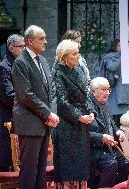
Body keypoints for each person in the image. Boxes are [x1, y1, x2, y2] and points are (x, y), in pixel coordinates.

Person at [11, 25, 59, 189]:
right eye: (41, 38)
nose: (46, 41)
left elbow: (50, 90)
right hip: (29, 123)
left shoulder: (43, 61)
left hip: (43, 123)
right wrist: (48, 113)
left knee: (40, 169)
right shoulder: (20, 62)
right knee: (29, 169)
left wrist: (51, 113)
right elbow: (26, 95)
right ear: (30, 41)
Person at [51, 39, 95, 189]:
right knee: (68, 168)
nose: (78, 56)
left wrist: (90, 112)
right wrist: (78, 116)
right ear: (64, 56)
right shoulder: (57, 72)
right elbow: (62, 102)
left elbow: (87, 94)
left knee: (81, 168)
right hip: (66, 126)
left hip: (81, 125)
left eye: (78, 53)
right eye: (74, 54)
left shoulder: (79, 69)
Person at [88, 77, 129, 189]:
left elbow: (111, 123)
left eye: (108, 89)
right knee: (111, 164)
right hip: (93, 150)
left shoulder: (104, 104)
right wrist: (101, 137)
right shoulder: (87, 106)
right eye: (103, 90)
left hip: (108, 148)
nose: (107, 93)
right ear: (93, 91)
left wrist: (118, 131)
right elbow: (84, 133)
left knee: (126, 164)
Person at [0, 34, 24, 172]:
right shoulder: (3, 67)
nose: (24, 49)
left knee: (20, 156)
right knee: (7, 154)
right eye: (21, 46)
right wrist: (28, 105)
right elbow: (8, 96)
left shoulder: (21, 64)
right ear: (11, 48)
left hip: (21, 115)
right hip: (8, 115)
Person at [98, 39, 129, 128]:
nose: (122, 48)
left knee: (124, 118)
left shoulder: (128, 56)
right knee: (115, 119)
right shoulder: (110, 56)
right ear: (115, 47)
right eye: (120, 46)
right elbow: (111, 67)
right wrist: (122, 57)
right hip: (114, 91)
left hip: (124, 91)